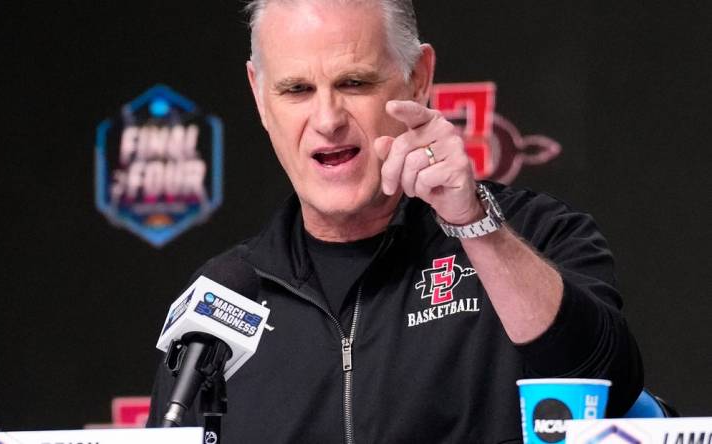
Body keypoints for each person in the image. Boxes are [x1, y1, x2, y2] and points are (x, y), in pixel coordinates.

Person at [147, 0, 643, 442]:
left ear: (419, 77)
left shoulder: (537, 234)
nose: (327, 118)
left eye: (354, 82)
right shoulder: (222, 300)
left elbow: (610, 393)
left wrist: (474, 225)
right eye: (296, 89)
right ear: (259, 95)